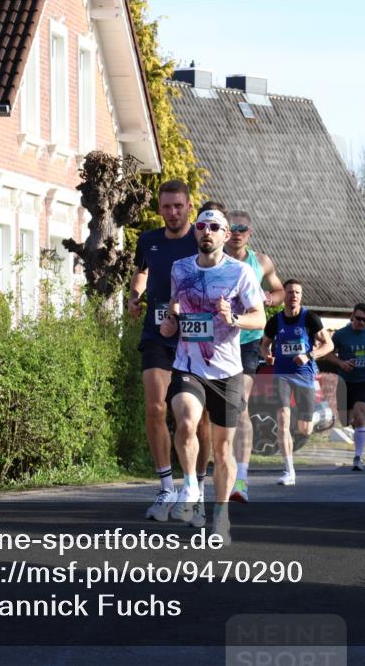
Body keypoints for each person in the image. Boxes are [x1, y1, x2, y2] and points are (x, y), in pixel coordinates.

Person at [160, 209, 265, 542]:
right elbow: (175, 305)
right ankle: (190, 485)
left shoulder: (241, 272)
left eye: (214, 227)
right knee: (187, 421)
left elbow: (259, 317)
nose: (207, 231)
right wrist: (170, 322)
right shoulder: (181, 268)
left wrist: (233, 318)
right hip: (188, 364)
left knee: (222, 451)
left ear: (224, 235)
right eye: (201, 226)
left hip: (227, 371)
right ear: (196, 233)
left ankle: (220, 517)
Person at [128, 180, 209, 525]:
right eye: (166, 207)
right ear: (159, 209)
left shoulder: (202, 239)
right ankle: (165, 488)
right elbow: (141, 271)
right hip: (157, 334)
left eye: (179, 206)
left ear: (189, 207)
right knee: (155, 406)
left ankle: (198, 489)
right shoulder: (149, 241)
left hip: (195, 337)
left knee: (197, 419)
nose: (173, 213)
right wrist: (134, 295)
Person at [223, 210, 285, 501]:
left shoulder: (260, 261)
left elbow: (279, 289)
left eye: (242, 229)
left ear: (250, 233)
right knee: (218, 408)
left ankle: (242, 480)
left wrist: (272, 298)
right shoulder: (213, 257)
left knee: (240, 403)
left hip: (248, 339)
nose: (237, 233)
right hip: (218, 340)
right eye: (232, 228)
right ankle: (223, 465)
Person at [260, 279, 332, 487]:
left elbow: (329, 344)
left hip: (304, 375)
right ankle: (289, 471)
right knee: (282, 419)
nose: (293, 296)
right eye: (290, 292)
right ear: (285, 295)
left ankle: (293, 432)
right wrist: (267, 356)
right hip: (281, 374)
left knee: (306, 428)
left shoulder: (310, 318)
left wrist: (309, 355)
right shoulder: (275, 321)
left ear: (301, 296)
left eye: (297, 293)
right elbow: (264, 345)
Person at [325, 304, 365, 471]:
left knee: (360, 416)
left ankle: (358, 457)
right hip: (344, 382)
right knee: (346, 420)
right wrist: (341, 363)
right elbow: (328, 353)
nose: (361, 322)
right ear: (352, 316)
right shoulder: (341, 334)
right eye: (358, 319)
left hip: (363, 381)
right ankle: (357, 433)